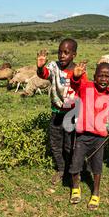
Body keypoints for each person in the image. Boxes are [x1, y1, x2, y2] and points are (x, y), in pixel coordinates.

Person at [69, 62, 109, 210]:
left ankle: (96, 192)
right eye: (100, 76)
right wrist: (76, 76)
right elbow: (75, 85)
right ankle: (75, 188)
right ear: (94, 76)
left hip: (99, 137)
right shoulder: (86, 87)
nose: (103, 79)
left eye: (107, 76)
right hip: (82, 135)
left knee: (97, 166)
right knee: (76, 163)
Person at [36, 39, 88, 184]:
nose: (62, 55)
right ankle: (61, 169)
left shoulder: (79, 70)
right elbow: (44, 74)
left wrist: (76, 77)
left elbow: (83, 89)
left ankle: (73, 170)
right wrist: (40, 68)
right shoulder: (54, 66)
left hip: (72, 113)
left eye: (66, 52)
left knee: (69, 144)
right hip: (56, 111)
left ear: (74, 54)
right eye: (60, 52)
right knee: (55, 143)